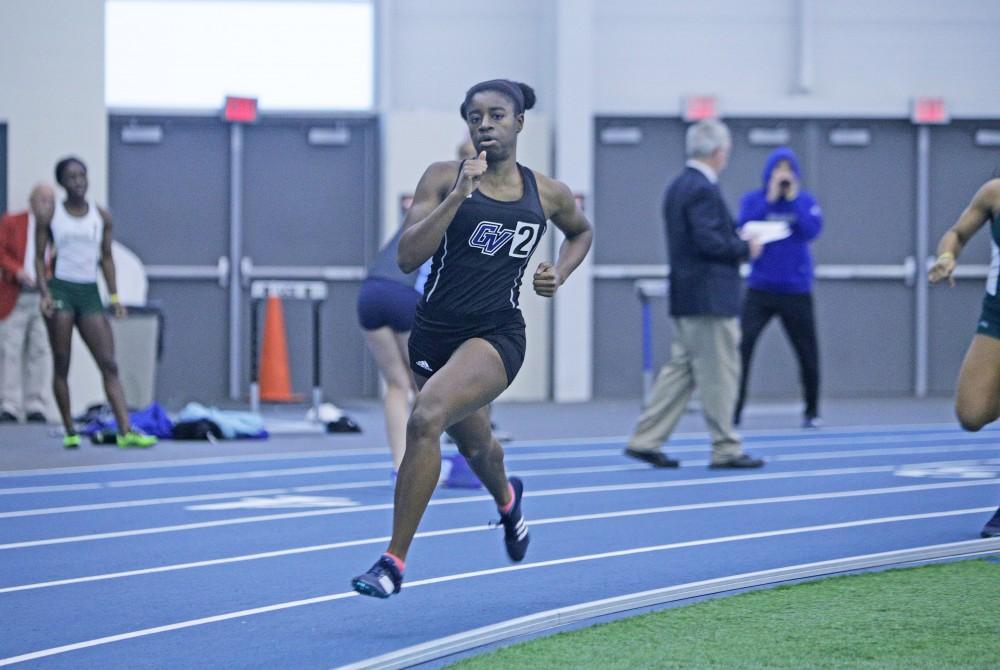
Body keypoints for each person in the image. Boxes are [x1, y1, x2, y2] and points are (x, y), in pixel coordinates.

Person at [351, 79, 593, 598]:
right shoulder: (442, 178)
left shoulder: (545, 192)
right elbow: (407, 257)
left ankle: (393, 562)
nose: (485, 124)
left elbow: (582, 231)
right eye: (475, 116)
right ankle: (508, 500)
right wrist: (459, 193)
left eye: (497, 115)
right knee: (478, 444)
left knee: (427, 418)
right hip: (433, 337)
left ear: (519, 122)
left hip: (497, 335)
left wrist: (561, 273)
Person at [624, 119, 764, 470]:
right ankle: (726, 446)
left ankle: (646, 439)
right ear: (720, 152)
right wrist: (744, 247)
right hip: (710, 298)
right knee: (720, 373)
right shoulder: (702, 188)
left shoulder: (678, 186)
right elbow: (709, 241)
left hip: (690, 295)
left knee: (681, 371)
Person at [34, 158, 157, 449]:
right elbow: (39, 258)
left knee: (109, 363)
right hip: (62, 290)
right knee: (62, 362)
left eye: (82, 176)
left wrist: (114, 298)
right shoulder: (51, 216)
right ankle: (69, 430)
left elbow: (106, 258)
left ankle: (126, 429)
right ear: (62, 183)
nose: (77, 182)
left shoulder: (101, 217)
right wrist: (45, 293)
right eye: (71, 177)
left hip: (89, 293)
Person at [928, 177, 1000, 538]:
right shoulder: (993, 193)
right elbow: (955, 233)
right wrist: (946, 257)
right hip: (997, 316)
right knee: (970, 413)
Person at [734, 147, 823, 429]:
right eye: (778, 170)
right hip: (760, 290)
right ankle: (733, 412)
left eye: (788, 170)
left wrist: (792, 199)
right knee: (741, 349)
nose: (783, 175)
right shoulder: (753, 201)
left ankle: (812, 411)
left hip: (796, 290)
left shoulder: (805, 201)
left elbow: (812, 231)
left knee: (807, 352)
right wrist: (770, 198)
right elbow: (742, 228)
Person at [356, 227, 430, 477]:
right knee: (426, 385)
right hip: (404, 296)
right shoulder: (446, 227)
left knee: (397, 385)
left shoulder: (414, 222)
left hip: (370, 293)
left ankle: (399, 462)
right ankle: (425, 460)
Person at [0, 186, 53, 424]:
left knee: (40, 350)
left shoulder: (56, 227)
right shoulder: (12, 222)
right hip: (16, 294)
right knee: (10, 351)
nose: (46, 205)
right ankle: (9, 404)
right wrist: (18, 271)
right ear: (31, 201)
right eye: (42, 200)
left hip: (42, 297)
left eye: (50, 201)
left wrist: (48, 277)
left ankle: (36, 404)